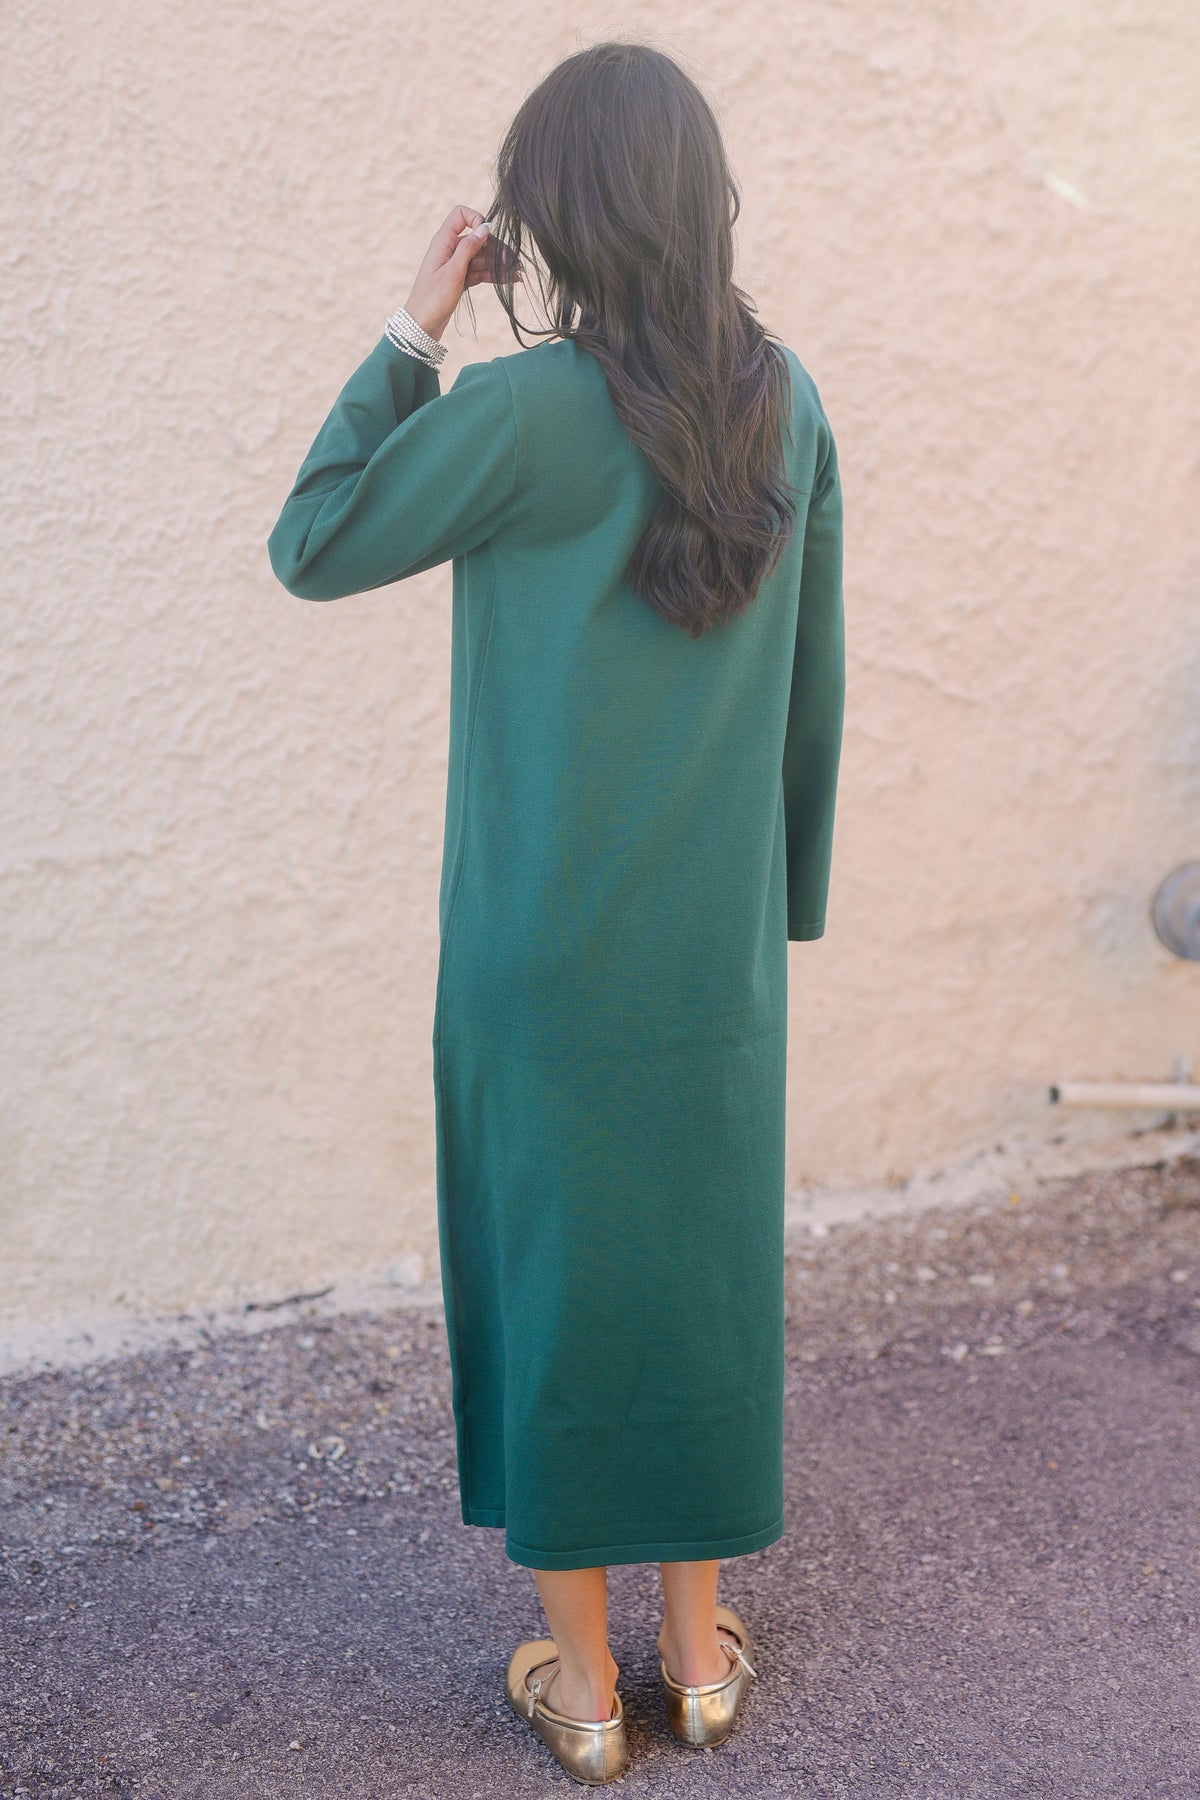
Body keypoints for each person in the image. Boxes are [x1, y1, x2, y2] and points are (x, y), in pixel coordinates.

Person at [268, 39, 844, 1787]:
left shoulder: (519, 415)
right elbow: (813, 689)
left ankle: (587, 1689)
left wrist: (410, 330)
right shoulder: (789, 399)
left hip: (536, 958)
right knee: (696, 1279)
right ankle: (703, 1655)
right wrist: (784, 908)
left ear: (555, 221)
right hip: (709, 959)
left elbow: (315, 541)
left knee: (557, 1276)